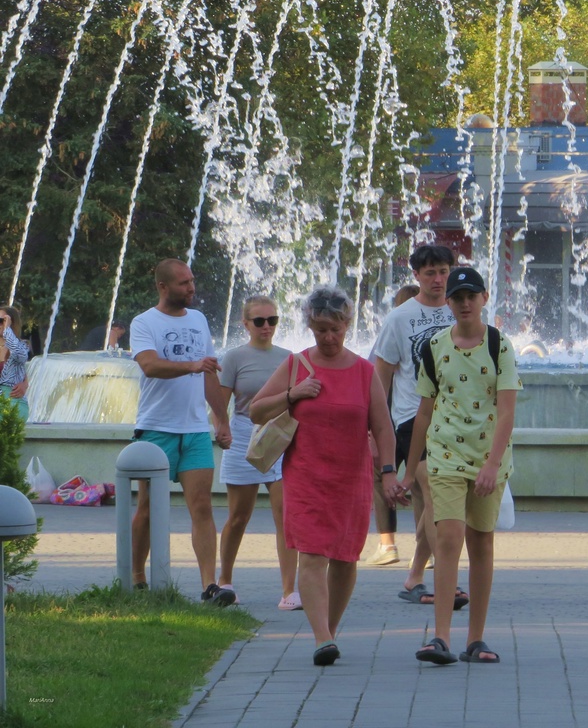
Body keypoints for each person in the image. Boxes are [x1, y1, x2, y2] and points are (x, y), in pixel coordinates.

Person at [250, 285, 401, 666]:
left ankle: (329, 632)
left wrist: (387, 473)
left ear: (348, 324)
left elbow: (383, 429)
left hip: (352, 478)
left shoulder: (365, 372)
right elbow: (255, 411)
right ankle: (321, 638)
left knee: (346, 557)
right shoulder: (298, 365)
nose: (329, 337)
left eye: (335, 329)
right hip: (305, 476)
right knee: (313, 555)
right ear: (310, 326)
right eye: (320, 330)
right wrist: (293, 394)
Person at [402, 266, 520, 666]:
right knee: (448, 537)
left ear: (484, 298)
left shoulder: (499, 345)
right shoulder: (434, 347)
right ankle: (439, 638)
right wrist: (407, 469)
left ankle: (476, 639)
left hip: (489, 460)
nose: (465, 302)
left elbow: (506, 413)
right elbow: (423, 411)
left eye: (472, 295)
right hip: (445, 455)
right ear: (448, 303)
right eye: (457, 297)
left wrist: (490, 465)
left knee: (482, 543)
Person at [129, 259, 233, 604]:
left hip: (195, 430)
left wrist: (222, 419)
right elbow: (149, 365)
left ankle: (209, 586)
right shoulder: (144, 322)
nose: (191, 288)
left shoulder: (198, 320)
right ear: (163, 287)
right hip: (156, 429)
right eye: (184, 284)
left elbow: (209, 374)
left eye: (192, 281)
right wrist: (191, 365)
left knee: (202, 506)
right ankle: (135, 577)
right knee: (148, 507)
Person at [369, 244, 467, 608]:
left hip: (457, 418)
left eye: (443, 271)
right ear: (416, 277)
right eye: (430, 273)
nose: (439, 279)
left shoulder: (461, 307)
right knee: (432, 486)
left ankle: (414, 576)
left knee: (433, 502)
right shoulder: (400, 318)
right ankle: (446, 577)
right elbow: (382, 373)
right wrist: (375, 427)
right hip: (413, 417)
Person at [210, 296, 300, 610]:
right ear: (245, 324)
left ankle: (289, 591)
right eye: (259, 321)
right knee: (238, 516)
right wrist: (222, 427)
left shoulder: (289, 358)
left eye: (272, 320)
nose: (266, 327)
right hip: (244, 435)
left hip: (279, 436)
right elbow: (219, 403)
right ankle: (225, 581)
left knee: (286, 516)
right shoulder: (234, 358)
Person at [364, 283, 420, 567]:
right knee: (424, 484)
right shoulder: (421, 329)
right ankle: (428, 549)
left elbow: (375, 378)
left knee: (381, 477)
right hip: (415, 419)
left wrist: (373, 428)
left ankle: (388, 544)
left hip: (393, 419)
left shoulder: (392, 328)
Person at [0, 306, 30, 418]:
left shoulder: (22, 345)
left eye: (2, 321)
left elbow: (21, 356)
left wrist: (7, 331)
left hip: (14, 402)